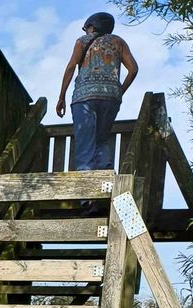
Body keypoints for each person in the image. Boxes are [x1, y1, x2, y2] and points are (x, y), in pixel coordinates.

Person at [56, 12, 138, 182]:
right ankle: (106, 184)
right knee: (101, 140)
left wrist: (61, 97)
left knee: (85, 143)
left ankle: (87, 198)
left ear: (92, 27)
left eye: (87, 28)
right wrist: (119, 91)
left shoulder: (82, 41)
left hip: (84, 97)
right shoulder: (118, 42)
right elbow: (133, 69)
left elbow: (71, 67)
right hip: (111, 98)